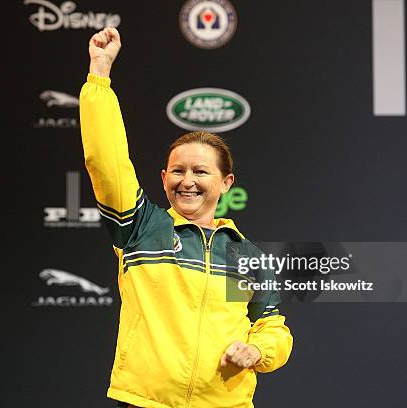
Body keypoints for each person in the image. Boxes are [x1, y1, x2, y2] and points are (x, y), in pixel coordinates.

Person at [80, 27, 293, 408]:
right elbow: (107, 163)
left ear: (226, 183)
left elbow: (272, 327)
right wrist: (99, 75)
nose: (188, 181)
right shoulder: (141, 228)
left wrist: (256, 350)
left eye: (201, 172)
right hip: (145, 402)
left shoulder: (248, 256)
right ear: (163, 179)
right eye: (177, 171)